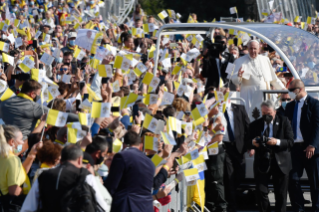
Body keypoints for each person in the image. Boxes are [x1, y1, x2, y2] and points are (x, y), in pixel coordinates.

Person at [21, 144, 108, 212]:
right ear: (80, 159)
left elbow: (28, 207)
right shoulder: (85, 175)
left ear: (61, 159)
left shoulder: (44, 175)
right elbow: (102, 206)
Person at [285, 79, 319, 212]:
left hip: (310, 149)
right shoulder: (290, 106)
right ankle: (298, 208)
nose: (289, 94)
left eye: (291, 91)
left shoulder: (314, 104)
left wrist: (312, 145)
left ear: (298, 90)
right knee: (293, 179)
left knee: (315, 182)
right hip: (295, 149)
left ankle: (316, 208)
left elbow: (317, 126)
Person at [231, 40, 285, 121]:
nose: (253, 51)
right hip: (249, 96)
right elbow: (234, 80)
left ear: (259, 49)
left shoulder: (265, 60)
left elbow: (273, 79)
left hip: (264, 96)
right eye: (251, 48)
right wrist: (239, 76)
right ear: (248, 49)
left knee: (266, 120)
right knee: (251, 120)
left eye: (255, 49)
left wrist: (283, 88)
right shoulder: (239, 61)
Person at [105, 131, 155, 212]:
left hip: (126, 206)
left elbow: (111, 186)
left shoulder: (122, 156)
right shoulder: (150, 163)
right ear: (140, 146)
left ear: (124, 144)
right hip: (146, 207)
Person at [0, 125, 40, 211]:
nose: (23, 142)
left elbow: (20, 173)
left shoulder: (4, 157)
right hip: (11, 205)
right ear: (12, 142)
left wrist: (31, 155)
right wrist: (27, 192)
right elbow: (13, 191)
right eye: (21, 139)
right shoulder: (12, 159)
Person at [223, 100, 250, 212]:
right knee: (229, 177)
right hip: (225, 147)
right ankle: (232, 205)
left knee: (240, 174)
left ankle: (232, 197)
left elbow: (248, 126)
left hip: (239, 147)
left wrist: (250, 145)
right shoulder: (217, 110)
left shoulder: (240, 108)